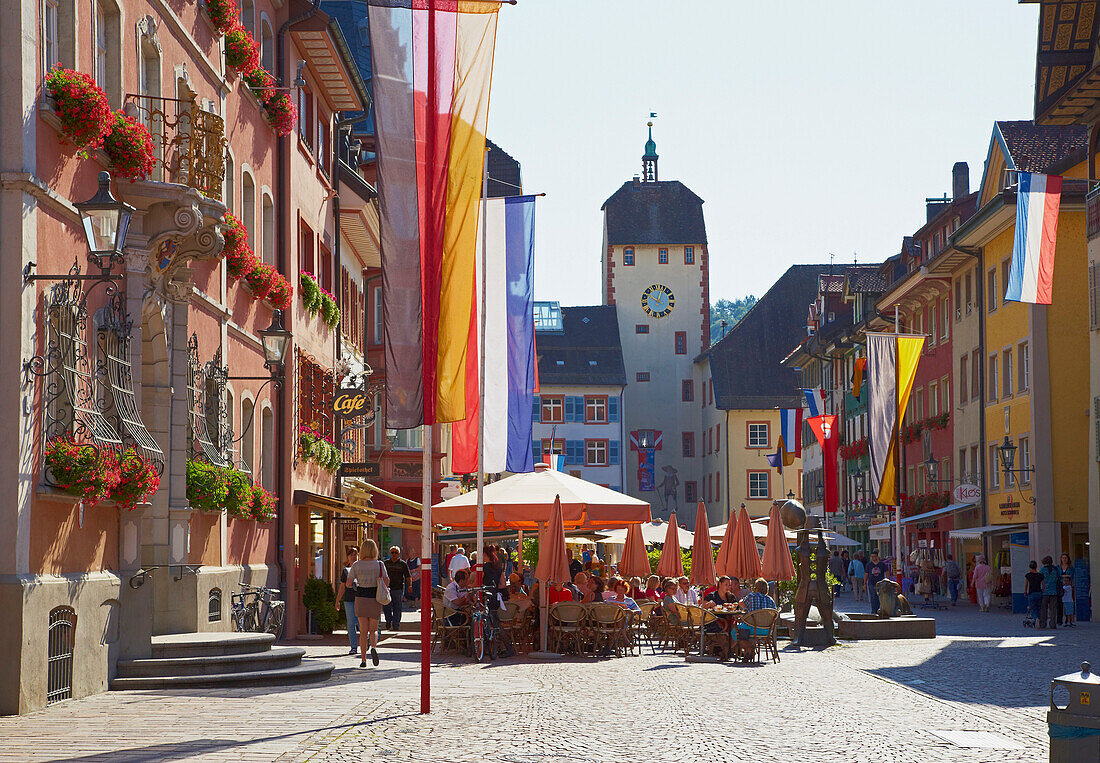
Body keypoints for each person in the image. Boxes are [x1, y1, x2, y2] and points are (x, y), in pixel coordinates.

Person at [346, 538, 389, 667]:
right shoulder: (380, 564)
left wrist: (356, 584)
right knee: (374, 629)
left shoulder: (356, 565)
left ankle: (363, 660)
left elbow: (348, 583)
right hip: (375, 598)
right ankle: (374, 647)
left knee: (363, 631)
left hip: (360, 598)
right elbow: (386, 582)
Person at [735, 579, 777, 661]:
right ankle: (749, 650)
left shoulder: (751, 596)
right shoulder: (770, 600)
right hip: (766, 630)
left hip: (751, 628)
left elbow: (741, 603)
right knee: (746, 630)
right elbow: (774, 615)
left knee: (734, 630)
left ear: (756, 588)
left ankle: (749, 648)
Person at [334, 547, 359, 655]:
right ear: (348, 557)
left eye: (355, 554)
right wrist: (337, 600)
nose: (353, 556)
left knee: (361, 623)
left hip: (361, 599)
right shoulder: (346, 570)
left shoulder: (362, 568)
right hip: (349, 599)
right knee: (351, 624)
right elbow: (342, 587)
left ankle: (366, 642)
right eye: (351, 554)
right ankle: (353, 647)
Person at [382, 546, 410, 631]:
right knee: (386, 606)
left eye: (396, 552)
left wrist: (410, 586)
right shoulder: (385, 563)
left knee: (397, 607)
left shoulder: (402, 564)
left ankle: (396, 624)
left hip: (398, 589)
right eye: (392, 552)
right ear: (390, 554)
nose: (394, 554)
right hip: (387, 589)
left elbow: (408, 576)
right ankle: (388, 621)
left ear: (399, 554)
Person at [1040, 555, 1061, 629]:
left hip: (1045, 592)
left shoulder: (1042, 570)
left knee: (1043, 609)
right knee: (1053, 609)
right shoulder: (1055, 569)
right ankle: (1053, 624)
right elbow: (1059, 578)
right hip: (1054, 592)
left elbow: (1040, 580)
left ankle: (1043, 624)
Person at [1058, 553, 1075, 626]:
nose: (1064, 559)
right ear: (1061, 559)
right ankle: (1059, 620)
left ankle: (1068, 621)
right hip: (1060, 586)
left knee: (1068, 605)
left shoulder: (1070, 568)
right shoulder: (1058, 567)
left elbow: (1071, 576)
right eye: (1063, 558)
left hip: (1068, 587)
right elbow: (1058, 576)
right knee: (1060, 604)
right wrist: (1065, 576)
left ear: (1068, 559)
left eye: (1065, 558)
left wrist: (1063, 576)